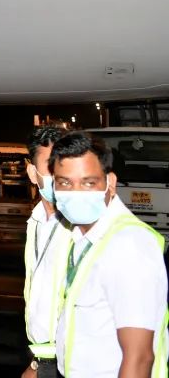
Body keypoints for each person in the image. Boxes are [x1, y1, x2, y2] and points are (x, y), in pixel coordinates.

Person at [51, 131, 168, 378]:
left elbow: (139, 357)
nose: (76, 193)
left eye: (88, 183)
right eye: (65, 183)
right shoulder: (82, 238)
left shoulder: (127, 246)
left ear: (110, 183)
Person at [22, 126, 71, 378]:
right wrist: (38, 364)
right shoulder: (36, 222)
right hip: (48, 360)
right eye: (50, 165)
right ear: (33, 173)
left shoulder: (84, 226)